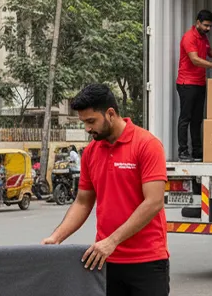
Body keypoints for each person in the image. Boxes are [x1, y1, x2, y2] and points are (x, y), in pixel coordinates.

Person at [41, 84, 169, 296]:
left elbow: (154, 202)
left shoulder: (147, 145)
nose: (87, 129)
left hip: (147, 260)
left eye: (91, 121)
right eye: (84, 123)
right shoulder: (91, 152)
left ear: (110, 113)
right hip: (105, 260)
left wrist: (112, 241)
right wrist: (56, 237)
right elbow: (83, 202)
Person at [176, 9, 212, 162]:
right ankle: (183, 151)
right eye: (206, 25)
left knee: (197, 119)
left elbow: (210, 53)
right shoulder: (189, 37)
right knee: (185, 118)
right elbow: (195, 60)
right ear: (198, 22)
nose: (208, 29)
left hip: (199, 83)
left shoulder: (203, 38)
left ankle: (196, 151)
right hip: (186, 83)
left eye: (210, 26)